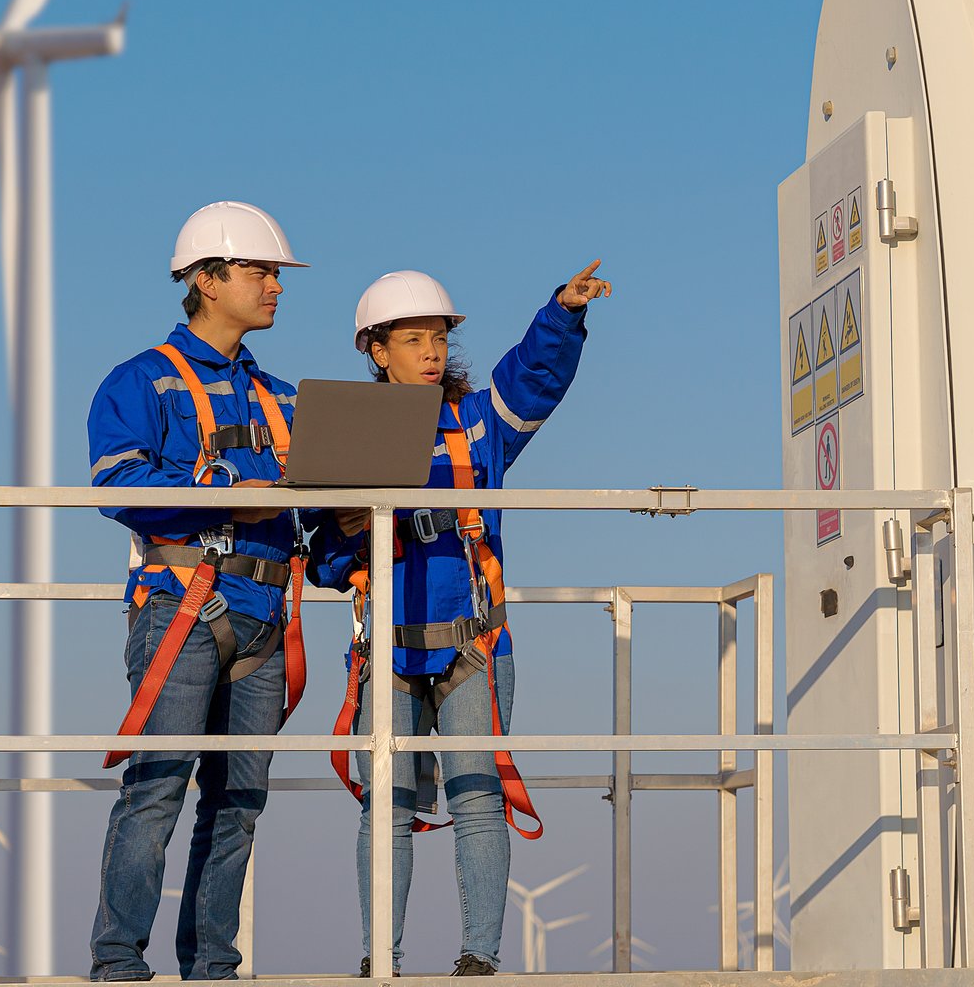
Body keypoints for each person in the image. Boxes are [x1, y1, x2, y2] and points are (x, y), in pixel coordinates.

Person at [312, 262, 609, 977]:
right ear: (377, 352)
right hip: (388, 645)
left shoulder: (479, 424)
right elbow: (320, 553)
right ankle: (379, 960)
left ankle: (480, 957)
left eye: (438, 338)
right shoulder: (345, 436)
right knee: (387, 807)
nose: (432, 352)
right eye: (413, 340)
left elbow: (532, 378)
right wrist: (347, 534)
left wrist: (562, 315)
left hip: (475, 643)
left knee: (478, 796)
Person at [87, 200, 313, 982]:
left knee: (239, 803)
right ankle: (118, 963)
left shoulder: (283, 397)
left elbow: (311, 505)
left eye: (277, 274)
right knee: (155, 788)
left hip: (266, 612)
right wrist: (226, 489)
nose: (276, 286)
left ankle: (213, 965)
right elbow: (116, 485)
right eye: (261, 271)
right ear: (208, 280)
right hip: (183, 604)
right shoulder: (140, 380)